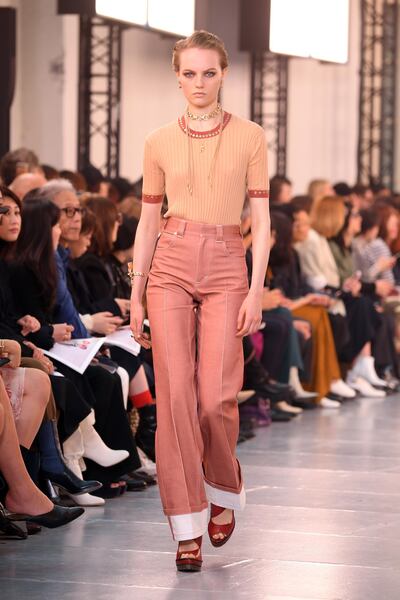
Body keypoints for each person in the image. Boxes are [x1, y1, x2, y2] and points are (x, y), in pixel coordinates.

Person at [130, 30, 270, 572]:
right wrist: (135, 292)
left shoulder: (251, 137)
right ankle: (185, 524)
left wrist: (256, 289)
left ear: (224, 74)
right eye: (189, 73)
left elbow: (260, 220)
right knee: (174, 398)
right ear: (176, 76)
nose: (198, 83)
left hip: (227, 259)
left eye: (208, 72)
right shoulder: (159, 139)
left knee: (215, 398)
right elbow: (146, 220)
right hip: (169, 260)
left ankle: (225, 487)